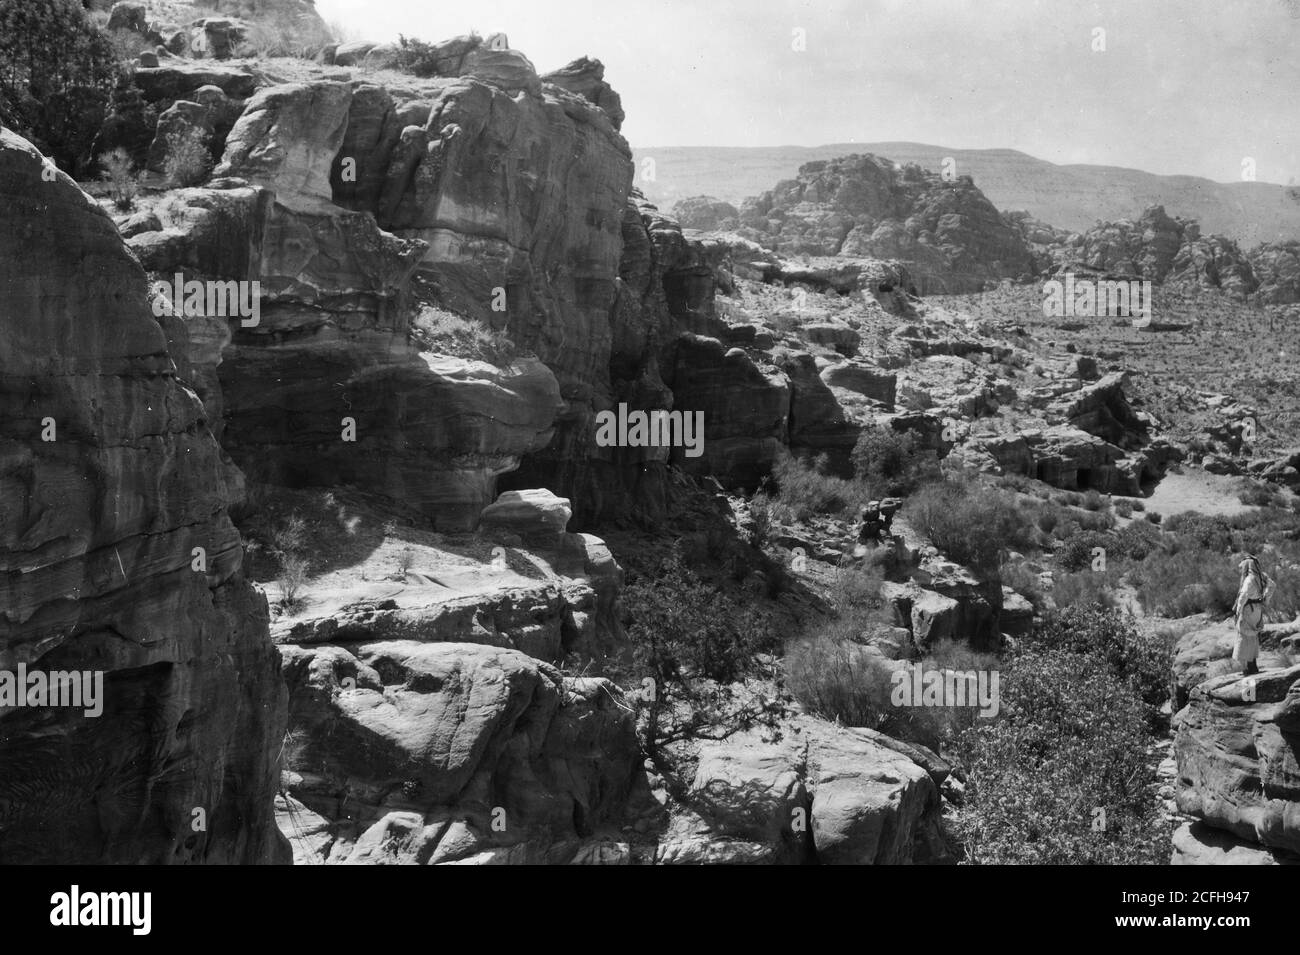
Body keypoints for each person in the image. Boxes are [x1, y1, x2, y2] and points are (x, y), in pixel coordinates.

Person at [1233, 555, 1274, 676]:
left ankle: (1246, 668)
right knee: (1253, 635)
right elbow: (1272, 585)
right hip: (1257, 610)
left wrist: (1238, 610)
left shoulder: (1249, 579)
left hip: (1248, 609)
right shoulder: (1261, 576)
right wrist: (1265, 599)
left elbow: (1244, 595)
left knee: (1244, 635)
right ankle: (1253, 665)